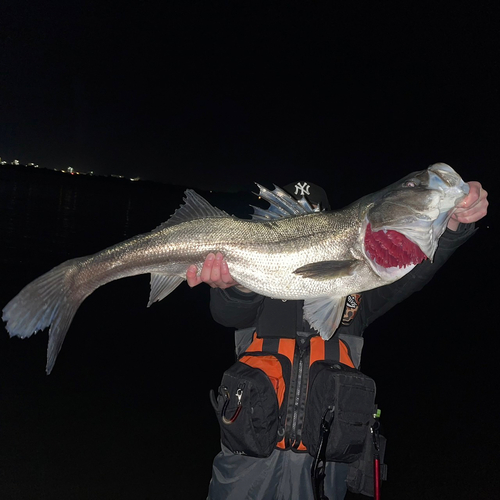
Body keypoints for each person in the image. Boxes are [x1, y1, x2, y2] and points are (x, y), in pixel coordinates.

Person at [186, 179, 488, 500]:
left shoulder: (359, 283)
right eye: (290, 219)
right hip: (250, 448)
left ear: (329, 224)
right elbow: (228, 316)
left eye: (312, 218)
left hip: (325, 456)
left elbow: (413, 272)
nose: (301, 226)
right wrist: (237, 286)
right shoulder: (258, 277)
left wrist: (451, 225)